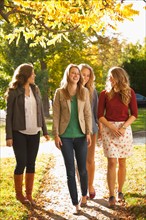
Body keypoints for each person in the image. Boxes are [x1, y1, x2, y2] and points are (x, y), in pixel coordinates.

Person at [5, 63, 50, 205]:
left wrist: (45, 131)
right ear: (26, 75)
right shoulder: (13, 92)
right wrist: (9, 136)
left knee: (31, 163)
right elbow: (9, 115)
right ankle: (19, 194)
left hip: (34, 132)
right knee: (21, 163)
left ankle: (29, 195)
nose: (34, 75)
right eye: (33, 73)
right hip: (19, 132)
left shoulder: (35, 89)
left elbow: (41, 111)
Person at [52, 64, 92, 214]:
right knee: (70, 171)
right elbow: (56, 115)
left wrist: (88, 132)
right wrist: (56, 135)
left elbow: (87, 113)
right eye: (73, 73)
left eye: (77, 73)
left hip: (81, 136)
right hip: (65, 137)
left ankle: (83, 196)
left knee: (82, 169)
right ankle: (75, 204)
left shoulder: (84, 91)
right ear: (68, 75)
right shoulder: (60, 92)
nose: (76, 75)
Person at [98, 66, 138, 207]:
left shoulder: (129, 92)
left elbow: (134, 114)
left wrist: (123, 127)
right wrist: (112, 127)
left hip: (124, 130)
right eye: (109, 76)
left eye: (112, 76)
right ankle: (111, 195)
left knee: (122, 162)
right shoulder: (104, 93)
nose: (110, 78)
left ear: (119, 77)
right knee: (112, 162)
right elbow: (100, 115)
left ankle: (120, 191)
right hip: (109, 130)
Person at [78, 63, 99, 199]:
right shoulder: (72, 89)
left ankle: (90, 185)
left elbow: (96, 112)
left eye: (88, 75)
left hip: (91, 129)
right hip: (77, 130)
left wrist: (99, 129)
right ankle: (83, 190)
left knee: (90, 160)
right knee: (79, 162)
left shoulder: (93, 91)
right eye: (83, 74)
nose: (85, 78)